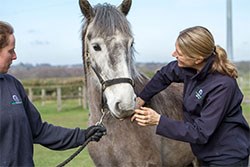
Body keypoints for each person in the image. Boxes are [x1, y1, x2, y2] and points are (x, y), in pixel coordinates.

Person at [131, 26, 250, 166]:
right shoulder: (188, 68)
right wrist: (142, 98)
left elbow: (200, 132)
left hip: (227, 156)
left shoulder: (222, 86)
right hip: (205, 152)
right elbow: (164, 75)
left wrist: (158, 120)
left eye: (179, 53)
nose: (173, 54)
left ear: (197, 59)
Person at [0, 21, 107, 167]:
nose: (15, 56)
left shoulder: (12, 85)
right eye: (10, 51)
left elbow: (39, 130)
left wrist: (83, 135)